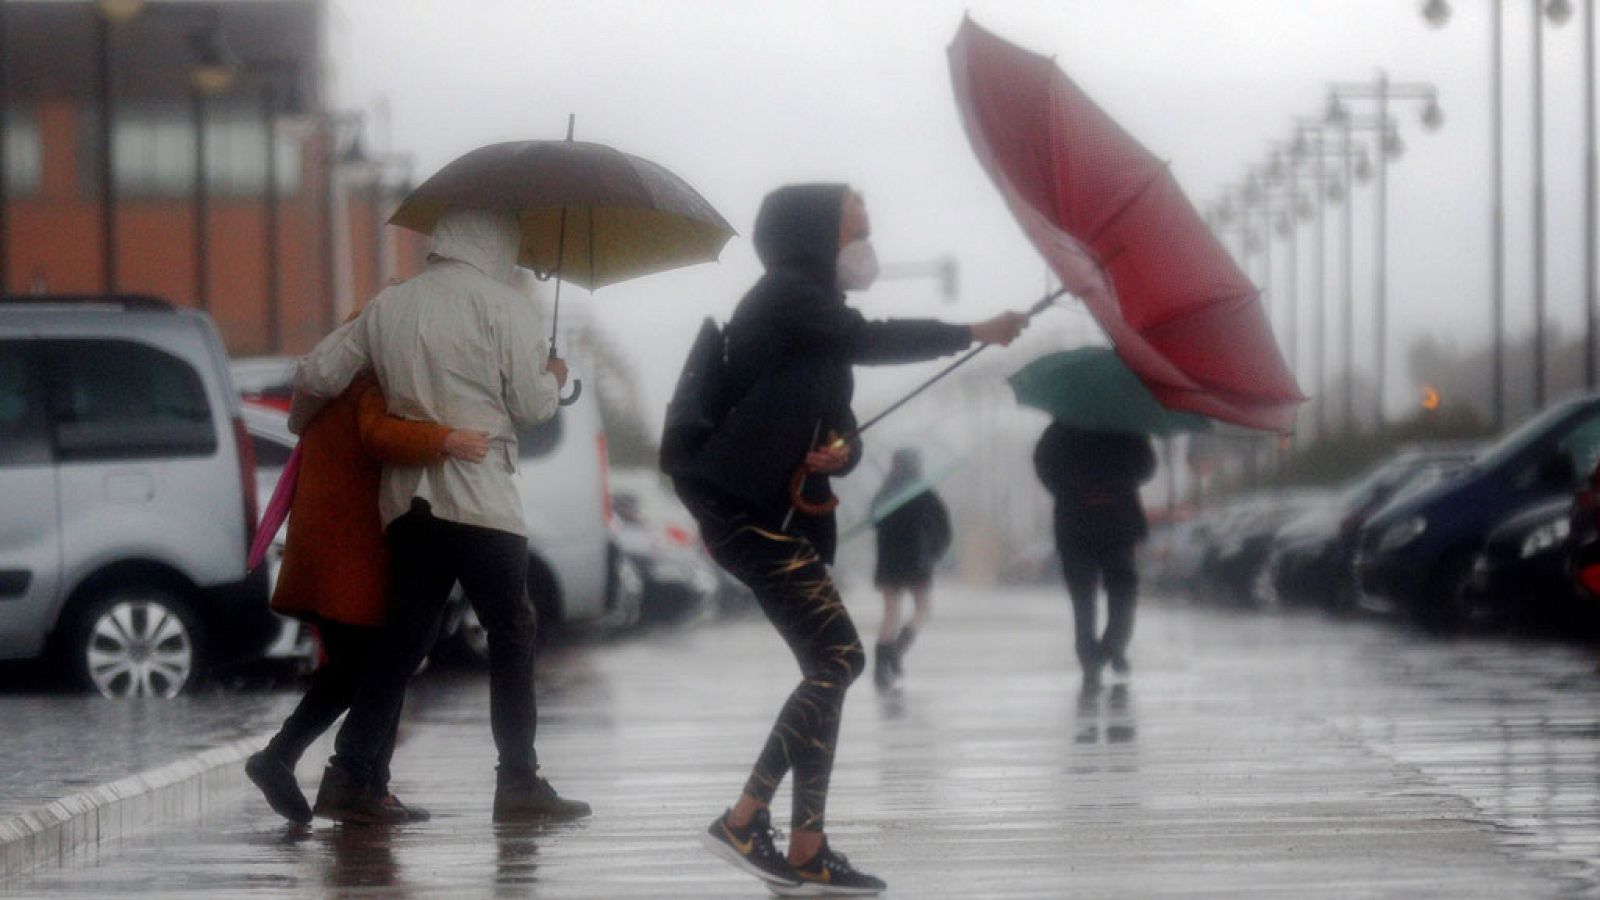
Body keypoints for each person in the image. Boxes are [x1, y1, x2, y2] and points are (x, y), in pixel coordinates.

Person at [664, 183, 1027, 895]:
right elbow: (871, 336)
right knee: (840, 658)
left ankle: (807, 849)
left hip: (782, 515)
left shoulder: (817, 322)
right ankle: (743, 819)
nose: (864, 248)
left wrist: (840, 452)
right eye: (852, 233)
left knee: (827, 672)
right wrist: (972, 330)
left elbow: (840, 425)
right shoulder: (785, 298)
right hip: (745, 512)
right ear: (813, 238)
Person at [290, 207, 589, 825]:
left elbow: (318, 372)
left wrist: (314, 425)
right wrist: (553, 376)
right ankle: (518, 782)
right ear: (496, 244)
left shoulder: (389, 304)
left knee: (403, 643)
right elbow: (532, 407)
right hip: (481, 497)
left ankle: (347, 775)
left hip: (407, 500)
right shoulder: (505, 306)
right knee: (511, 633)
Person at [246, 374, 490, 825]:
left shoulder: (350, 371)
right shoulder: (368, 376)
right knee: (374, 665)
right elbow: (379, 437)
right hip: (346, 550)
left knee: (377, 662)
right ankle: (293, 761)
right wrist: (446, 439)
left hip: (347, 548)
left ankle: (364, 786)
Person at [1033, 422, 1157, 694]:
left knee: (1083, 594)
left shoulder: (1062, 427)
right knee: (1121, 587)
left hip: (1076, 518)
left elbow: (1043, 464)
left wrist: (1067, 489)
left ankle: (1091, 655)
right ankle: (1113, 646)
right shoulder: (1126, 424)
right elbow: (1146, 468)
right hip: (1117, 517)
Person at [870, 448, 952, 691]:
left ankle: (880, 667)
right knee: (923, 608)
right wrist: (934, 552)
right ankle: (896, 650)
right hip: (918, 560)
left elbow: (874, 520)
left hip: (889, 562)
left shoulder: (885, 493)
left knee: (891, 612)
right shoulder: (924, 493)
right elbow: (943, 528)